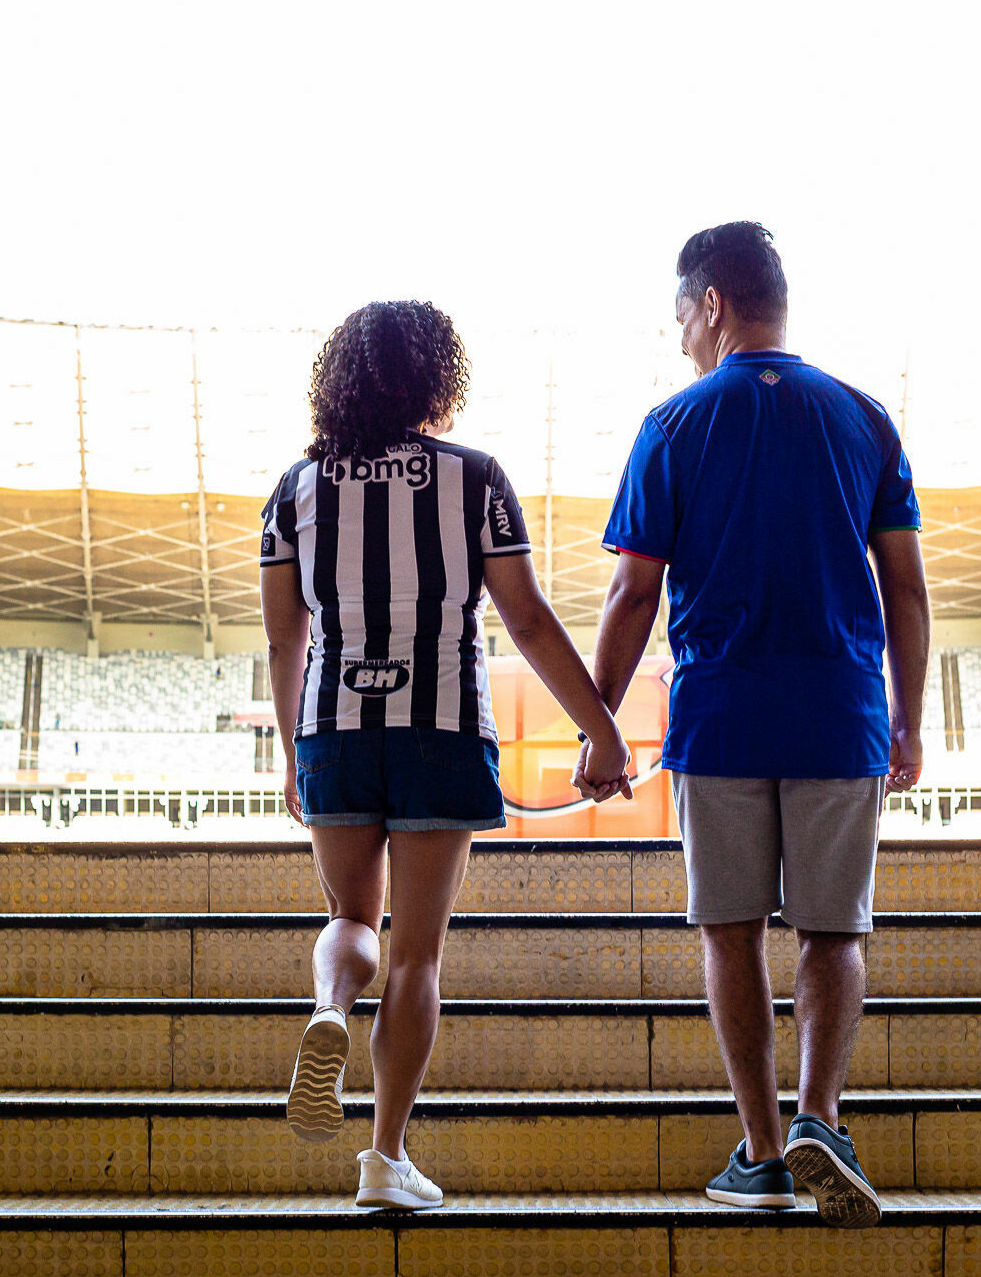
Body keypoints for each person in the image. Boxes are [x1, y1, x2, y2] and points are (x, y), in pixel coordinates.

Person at [581, 223, 930, 1228]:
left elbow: (629, 593)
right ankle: (822, 1116)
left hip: (723, 714)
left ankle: (764, 1150)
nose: (682, 334)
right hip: (841, 710)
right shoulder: (864, 418)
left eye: (682, 316)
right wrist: (908, 721)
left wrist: (600, 726)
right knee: (834, 928)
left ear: (715, 306)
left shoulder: (675, 423)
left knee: (729, 932)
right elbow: (903, 584)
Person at [260, 299, 631, 1212]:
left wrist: (289, 749)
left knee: (353, 916)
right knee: (418, 957)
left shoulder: (295, 490)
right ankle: (385, 1159)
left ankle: (329, 1010)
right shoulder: (476, 479)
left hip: (334, 728)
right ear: (436, 377)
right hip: (440, 727)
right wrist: (602, 727)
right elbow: (529, 620)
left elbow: (283, 645)